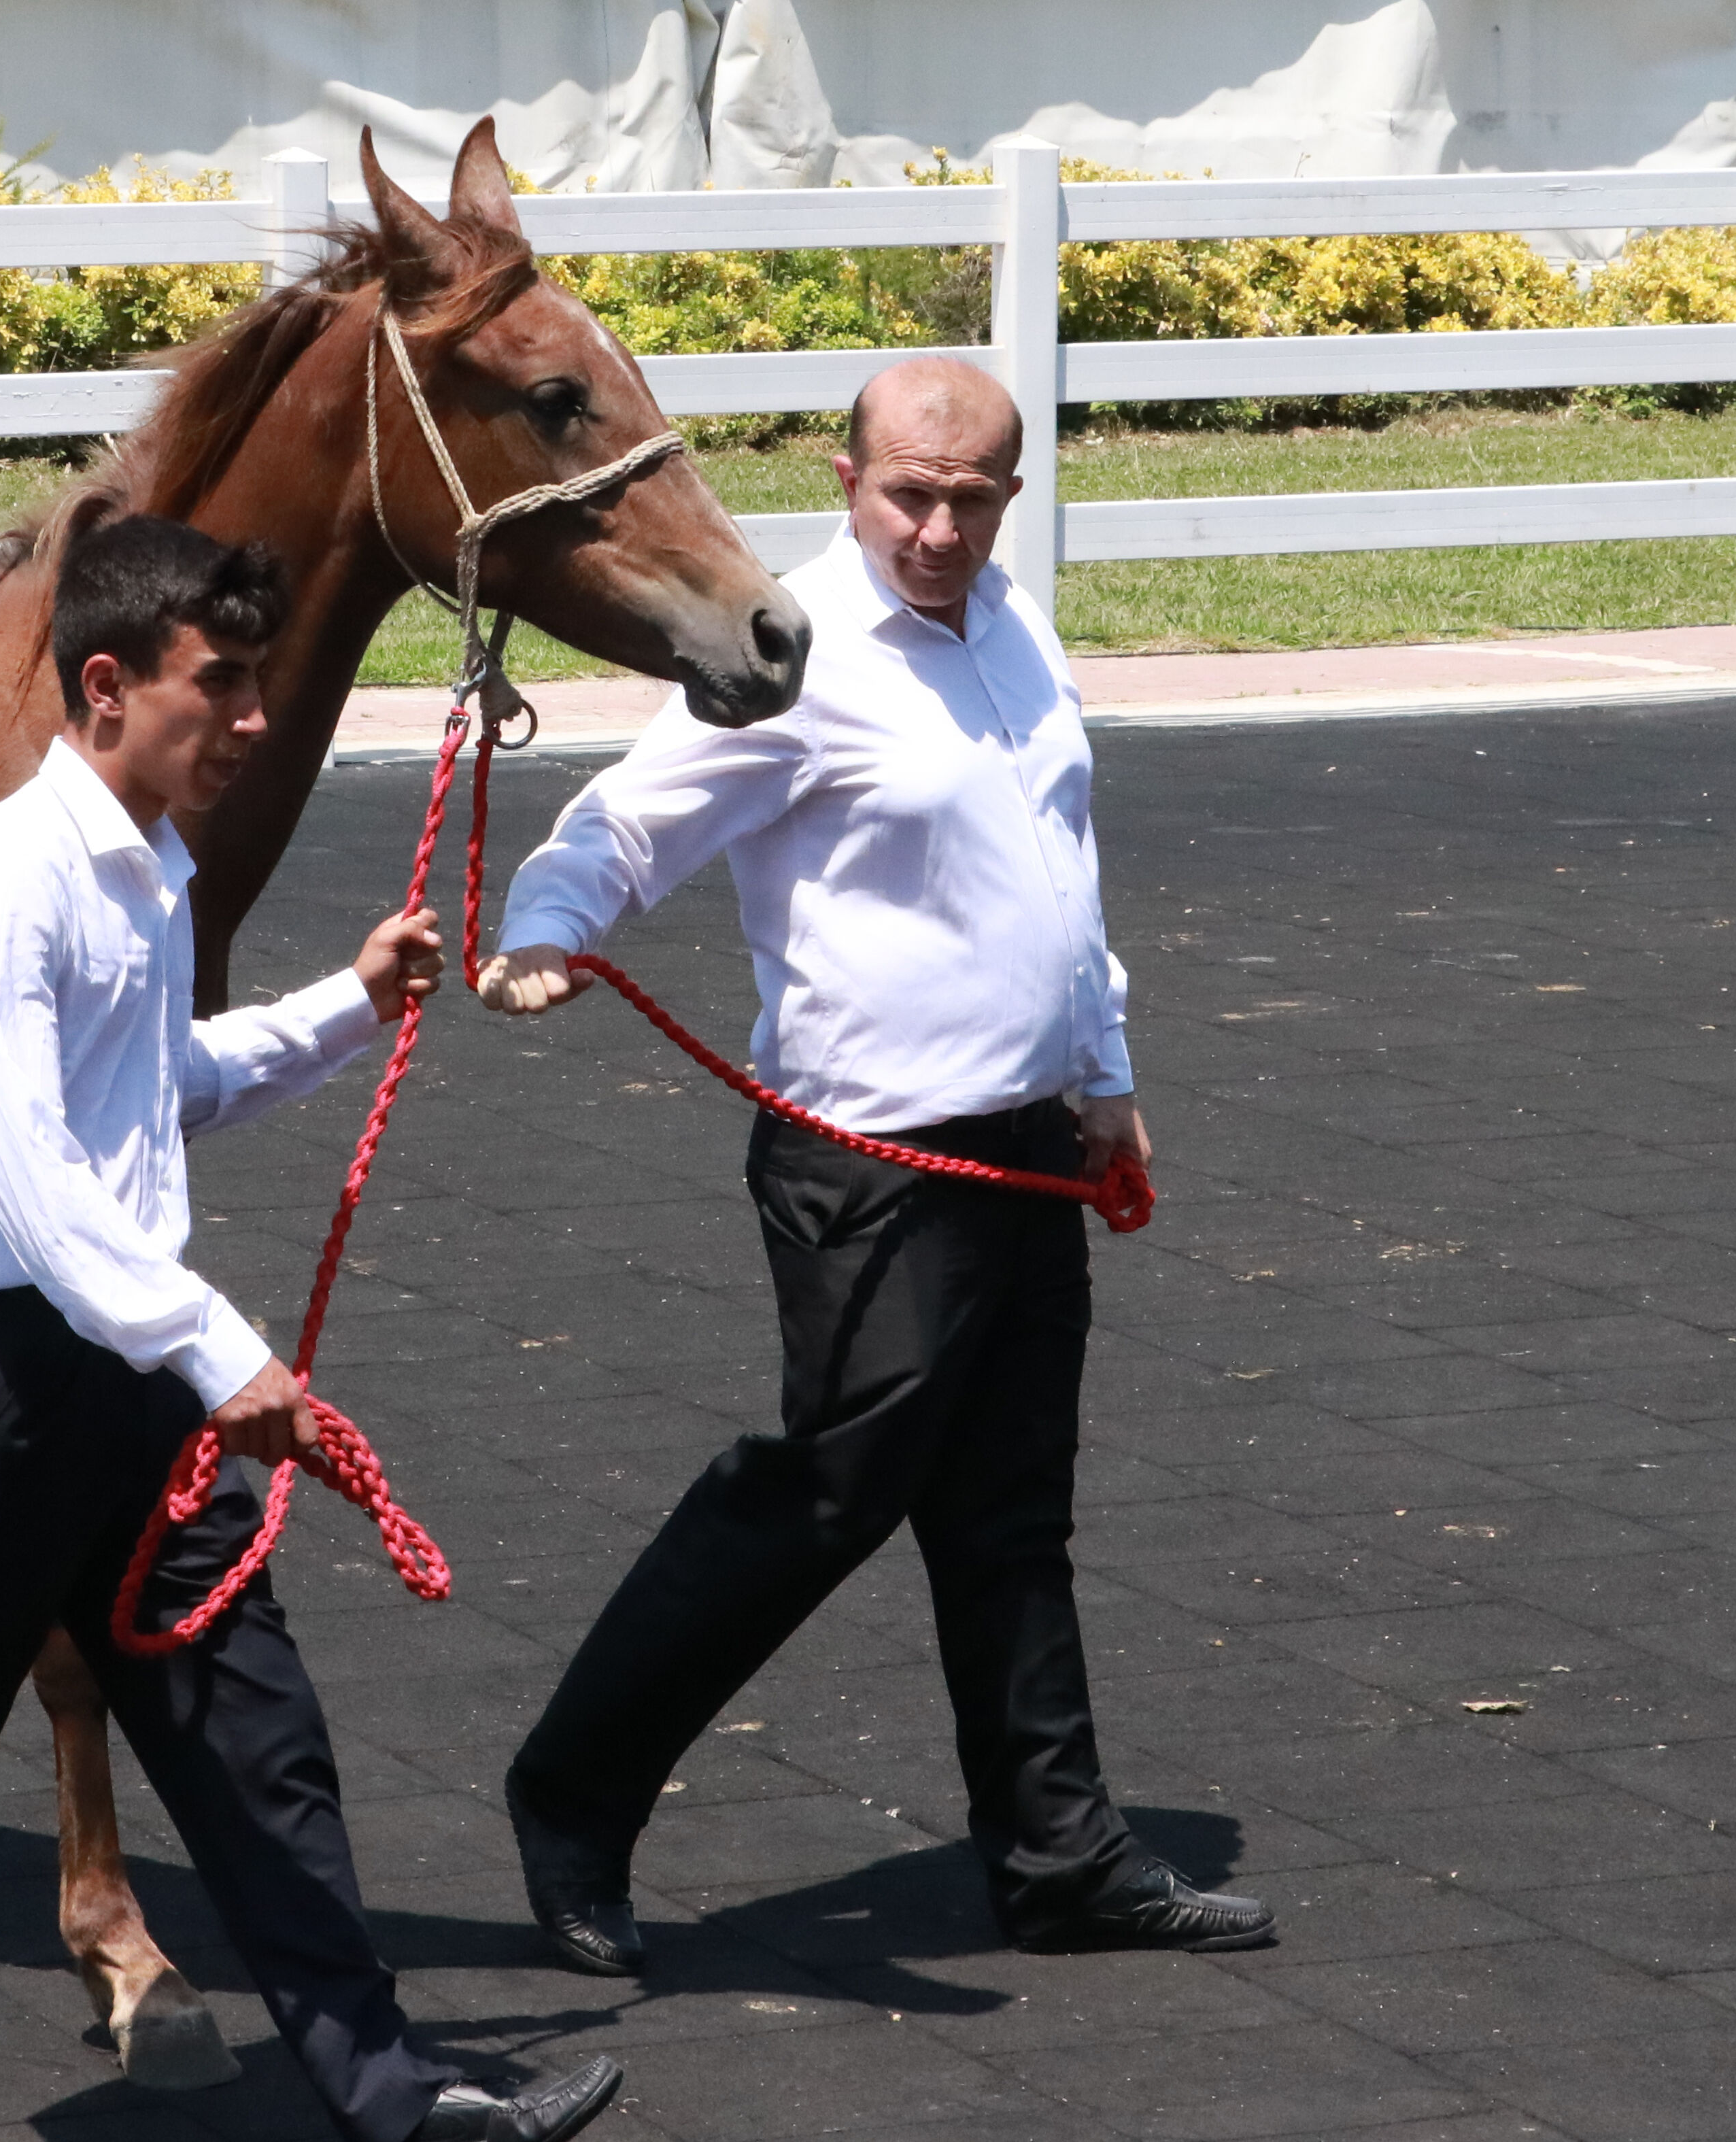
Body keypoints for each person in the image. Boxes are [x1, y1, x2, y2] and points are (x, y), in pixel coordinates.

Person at [0, 515, 619, 2142]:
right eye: (224, 683)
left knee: (256, 1744)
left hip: (125, 1387)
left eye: (260, 682)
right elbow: (39, 1182)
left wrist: (346, 1005)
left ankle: (394, 2095)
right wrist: (225, 1355)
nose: (257, 717)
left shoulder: (139, 879)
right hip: (5, 1389)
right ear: (107, 686)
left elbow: (155, 1099)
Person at [474, 358, 1274, 1973]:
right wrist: (549, 930)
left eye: (971, 498)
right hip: (871, 1163)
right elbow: (632, 819)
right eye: (909, 493)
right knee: (825, 1495)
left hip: (1026, 1148)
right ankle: (570, 1793)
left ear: (1009, 497)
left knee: (1009, 1518)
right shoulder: (799, 657)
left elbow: (1060, 872)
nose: (937, 527)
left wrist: (1103, 1076)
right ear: (846, 479)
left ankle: (1060, 1858)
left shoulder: (1022, 630)